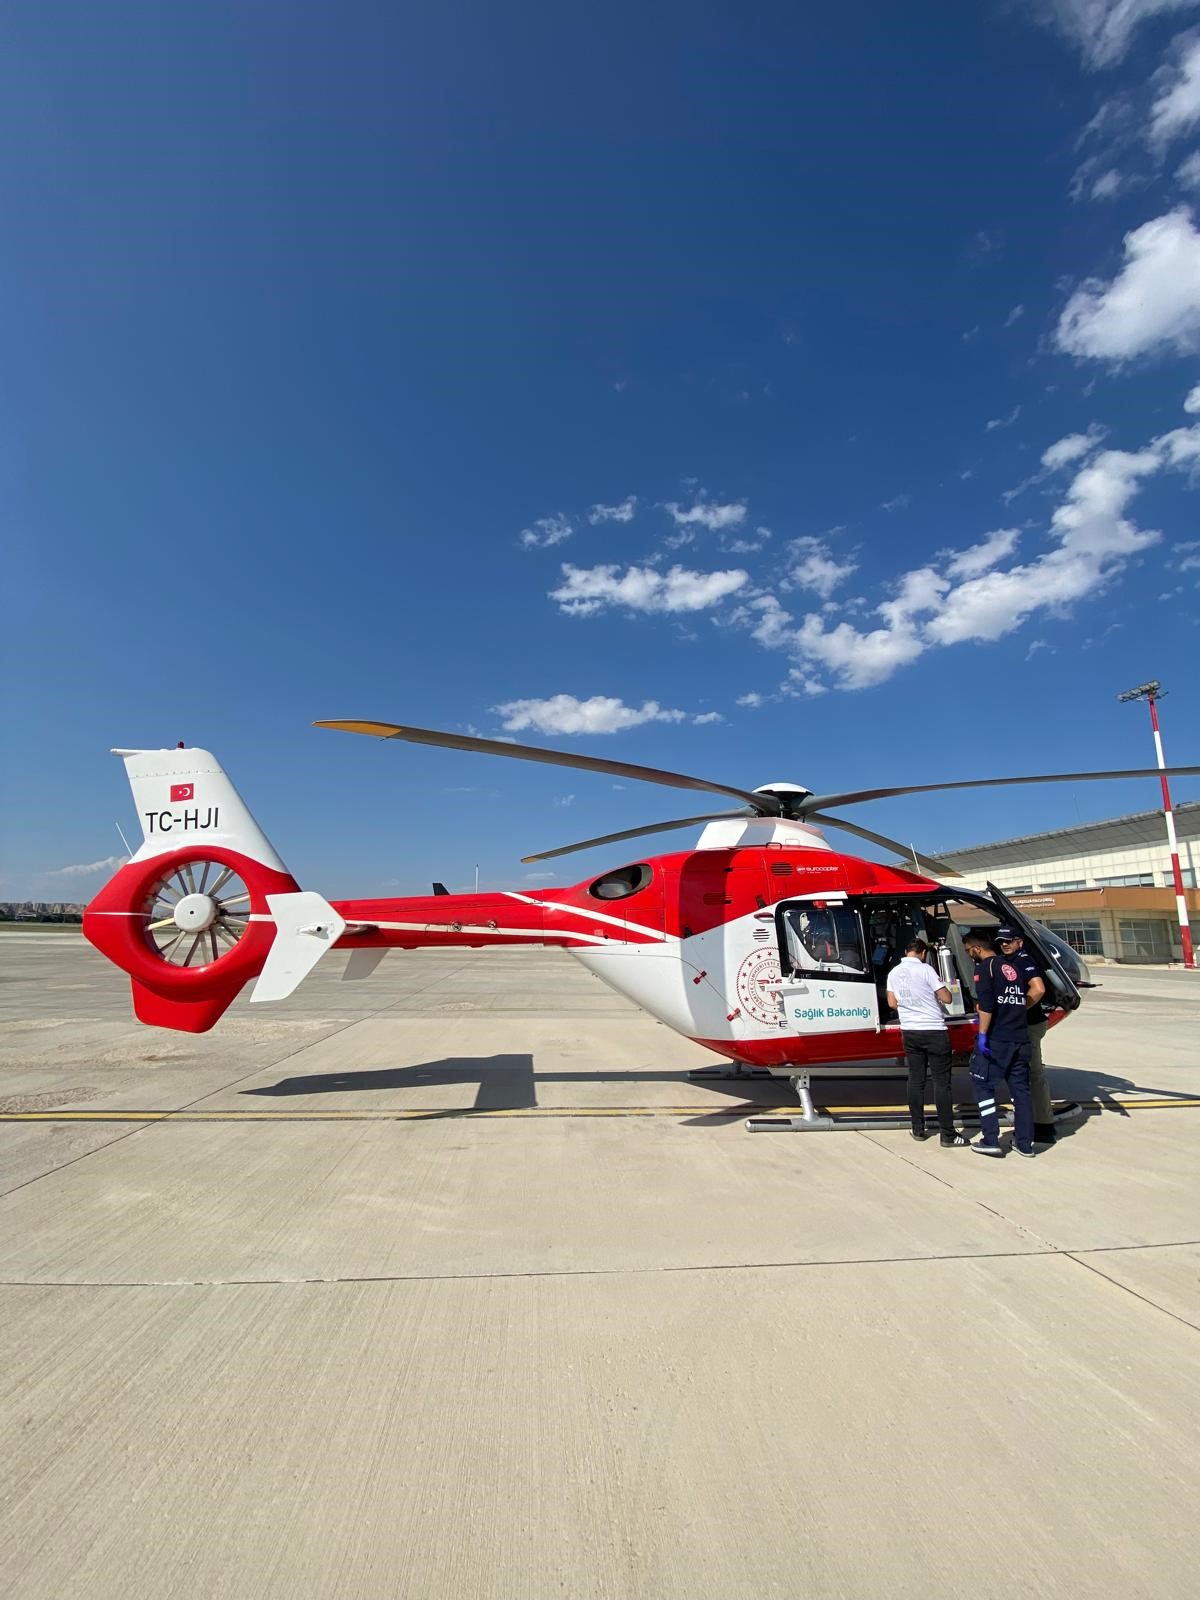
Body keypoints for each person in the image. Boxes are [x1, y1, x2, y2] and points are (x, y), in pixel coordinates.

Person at [993, 927, 1079, 1146]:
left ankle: (1043, 1125)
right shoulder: (1008, 960)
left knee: (1032, 1073)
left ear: (1019, 942)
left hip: (1029, 1024)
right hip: (1023, 1024)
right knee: (1023, 1073)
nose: (1004, 944)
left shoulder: (1024, 960)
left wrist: (1019, 1008)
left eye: (1009, 941)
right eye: (1001, 941)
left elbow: (1038, 989)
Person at [886, 937, 968, 1147]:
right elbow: (947, 998)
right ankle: (948, 1134)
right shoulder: (926, 970)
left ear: (906, 952)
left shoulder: (894, 973)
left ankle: (917, 1128)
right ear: (923, 953)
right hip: (934, 1030)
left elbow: (892, 1002)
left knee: (916, 1080)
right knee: (942, 1083)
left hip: (910, 1031)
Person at [963, 929, 1035, 1157]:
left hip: (998, 1039)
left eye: (968, 951)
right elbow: (1028, 994)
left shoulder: (985, 969)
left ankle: (990, 1139)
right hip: (1020, 1038)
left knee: (983, 1085)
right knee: (1021, 1092)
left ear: (977, 948)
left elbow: (986, 1006)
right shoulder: (1012, 967)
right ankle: (1025, 1144)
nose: (969, 955)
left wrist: (982, 1034)